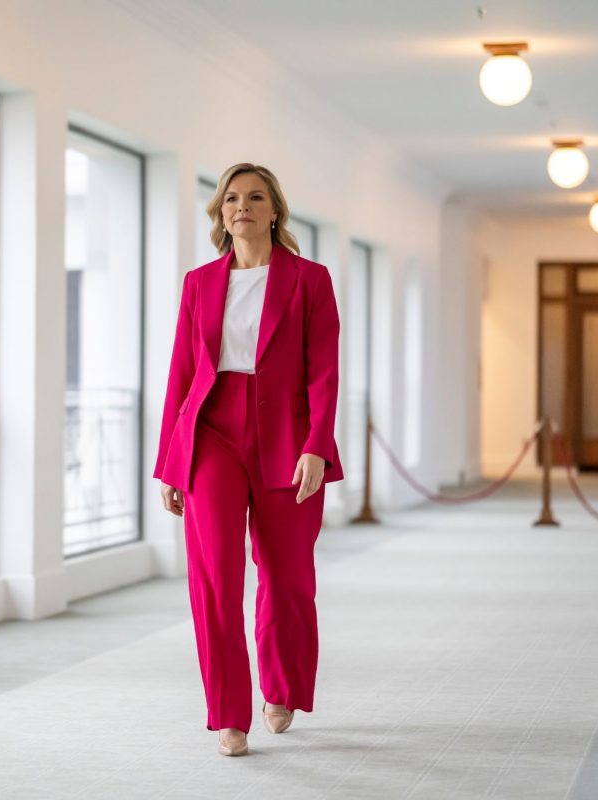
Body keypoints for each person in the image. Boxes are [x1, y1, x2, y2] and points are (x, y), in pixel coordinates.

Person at [153, 163, 345, 757]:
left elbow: (324, 370)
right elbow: (182, 373)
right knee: (214, 578)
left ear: (274, 210)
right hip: (212, 431)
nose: (242, 206)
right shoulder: (199, 283)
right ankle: (228, 714)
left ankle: (281, 689)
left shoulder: (309, 280)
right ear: (221, 212)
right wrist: (169, 461)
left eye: (255, 197)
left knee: (286, 577)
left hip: (286, 432)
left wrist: (316, 444)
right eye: (232, 198)